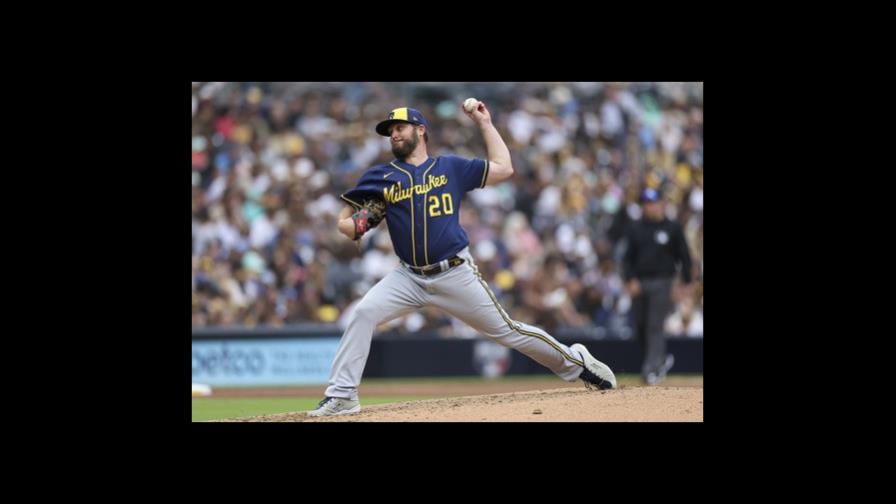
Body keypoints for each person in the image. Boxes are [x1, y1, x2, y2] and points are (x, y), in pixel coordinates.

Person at [309, 102, 617, 416]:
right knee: (363, 313)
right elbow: (351, 222)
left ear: (420, 130)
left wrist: (485, 123)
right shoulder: (383, 176)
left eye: (400, 127)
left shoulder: (450, 168)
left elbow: (504, 168)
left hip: (453, 272)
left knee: (507, 330)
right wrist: (347, 221)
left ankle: (576, 363)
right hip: (408, 277)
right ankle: (343, 394)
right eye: (390, 131)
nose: (394, 135)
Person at [623, 187, 693, 385]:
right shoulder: (636, 228)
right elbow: (627, 259)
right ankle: (659, 361)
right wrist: (630, 279)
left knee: (655, 326)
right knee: (640, 327)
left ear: (662, 204)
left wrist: (686, 282)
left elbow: (684, 256)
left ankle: (650, 370)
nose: (649, 207)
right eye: (645, 203)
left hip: (663, 282)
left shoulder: (672, 228)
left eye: (652, 203)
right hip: (640, 283)